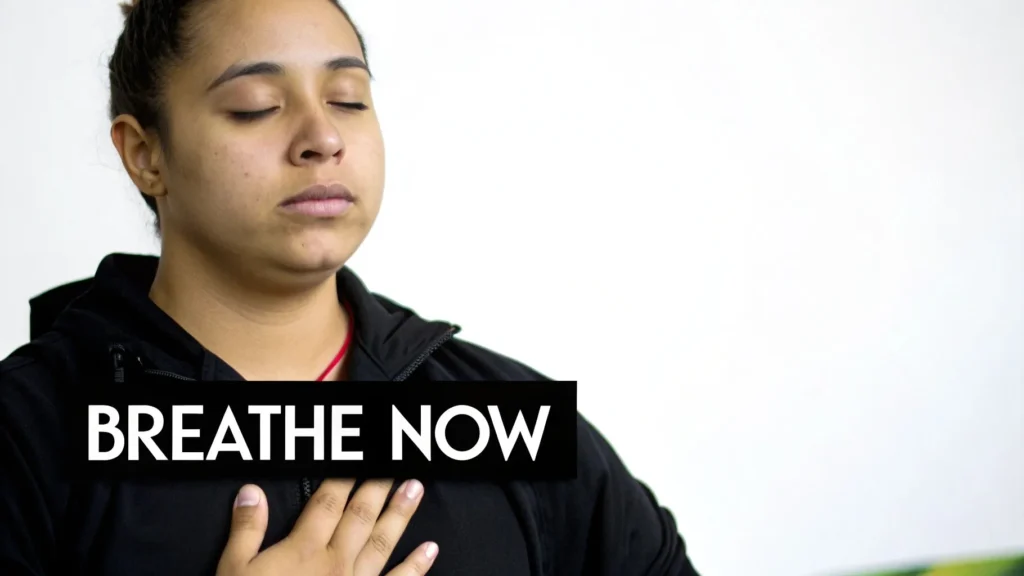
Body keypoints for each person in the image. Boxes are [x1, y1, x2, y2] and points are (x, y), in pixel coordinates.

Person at [0, 0, 700, 574]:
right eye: (255, 106)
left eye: (348, 99)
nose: (323, 136)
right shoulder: (30, 433)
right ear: (145, 154)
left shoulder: (506, 422)